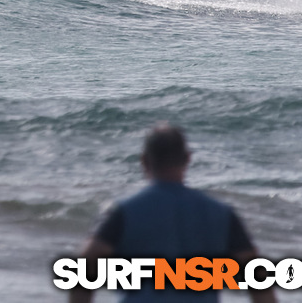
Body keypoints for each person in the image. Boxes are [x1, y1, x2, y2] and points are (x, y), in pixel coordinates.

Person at [70, 123, 276, 302]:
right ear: (187, 159)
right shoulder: (222, 214)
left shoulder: (123, 211)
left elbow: (87, 262)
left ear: (144, 161)